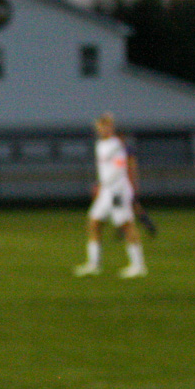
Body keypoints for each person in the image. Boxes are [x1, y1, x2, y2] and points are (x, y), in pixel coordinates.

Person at [73, 113, 147, 278]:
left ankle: (138, 266)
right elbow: (104, 169)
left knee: (126, 224)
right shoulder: (100, 144)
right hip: (106, 191)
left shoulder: (116, 144)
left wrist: (104, 184)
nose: (102, 129)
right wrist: (100, 185)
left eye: (106, 126)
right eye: (100, 127)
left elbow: (119, 167)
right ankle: (94, 264)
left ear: (111, 128)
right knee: (94, 222)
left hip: (117, 190)